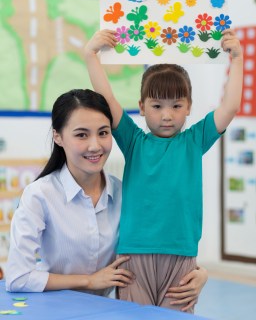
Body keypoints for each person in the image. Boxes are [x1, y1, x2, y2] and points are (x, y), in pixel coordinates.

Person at [84, 28, 243, 312]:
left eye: (176, 105)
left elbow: (230, 107)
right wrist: (90, 55)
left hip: (181, 256)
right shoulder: (133, 140)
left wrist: (238, 58)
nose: (167, 114)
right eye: (157, 106)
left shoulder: (194, 140)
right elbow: (106, 97)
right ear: (142, 107)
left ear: (188, 107)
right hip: (134, 256)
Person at [5, 89, 207, 310]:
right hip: (52, 309)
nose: (95, 146)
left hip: (106, 309)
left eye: (103, 133)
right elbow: (18, 277)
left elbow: (160, 243)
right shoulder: (39, 195)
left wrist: (200, 273)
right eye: (81, 135)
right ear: (58, 136)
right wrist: (89, 280)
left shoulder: (125, 194)